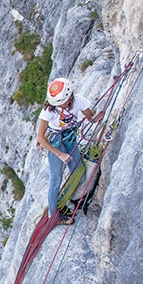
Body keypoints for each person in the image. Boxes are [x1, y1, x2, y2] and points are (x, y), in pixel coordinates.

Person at [35, 77, 100, 224]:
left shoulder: (79, 101)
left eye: (62, 103)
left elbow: (90, 117)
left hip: (70, 138)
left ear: (69, 97)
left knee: (80, 174)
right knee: (55, 179)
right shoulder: (49, 110)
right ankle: (53, 215)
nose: (61, 106)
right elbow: (40, 137)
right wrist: (60, 154)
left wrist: (96, 119)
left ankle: (62, 198)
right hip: (56, 142)